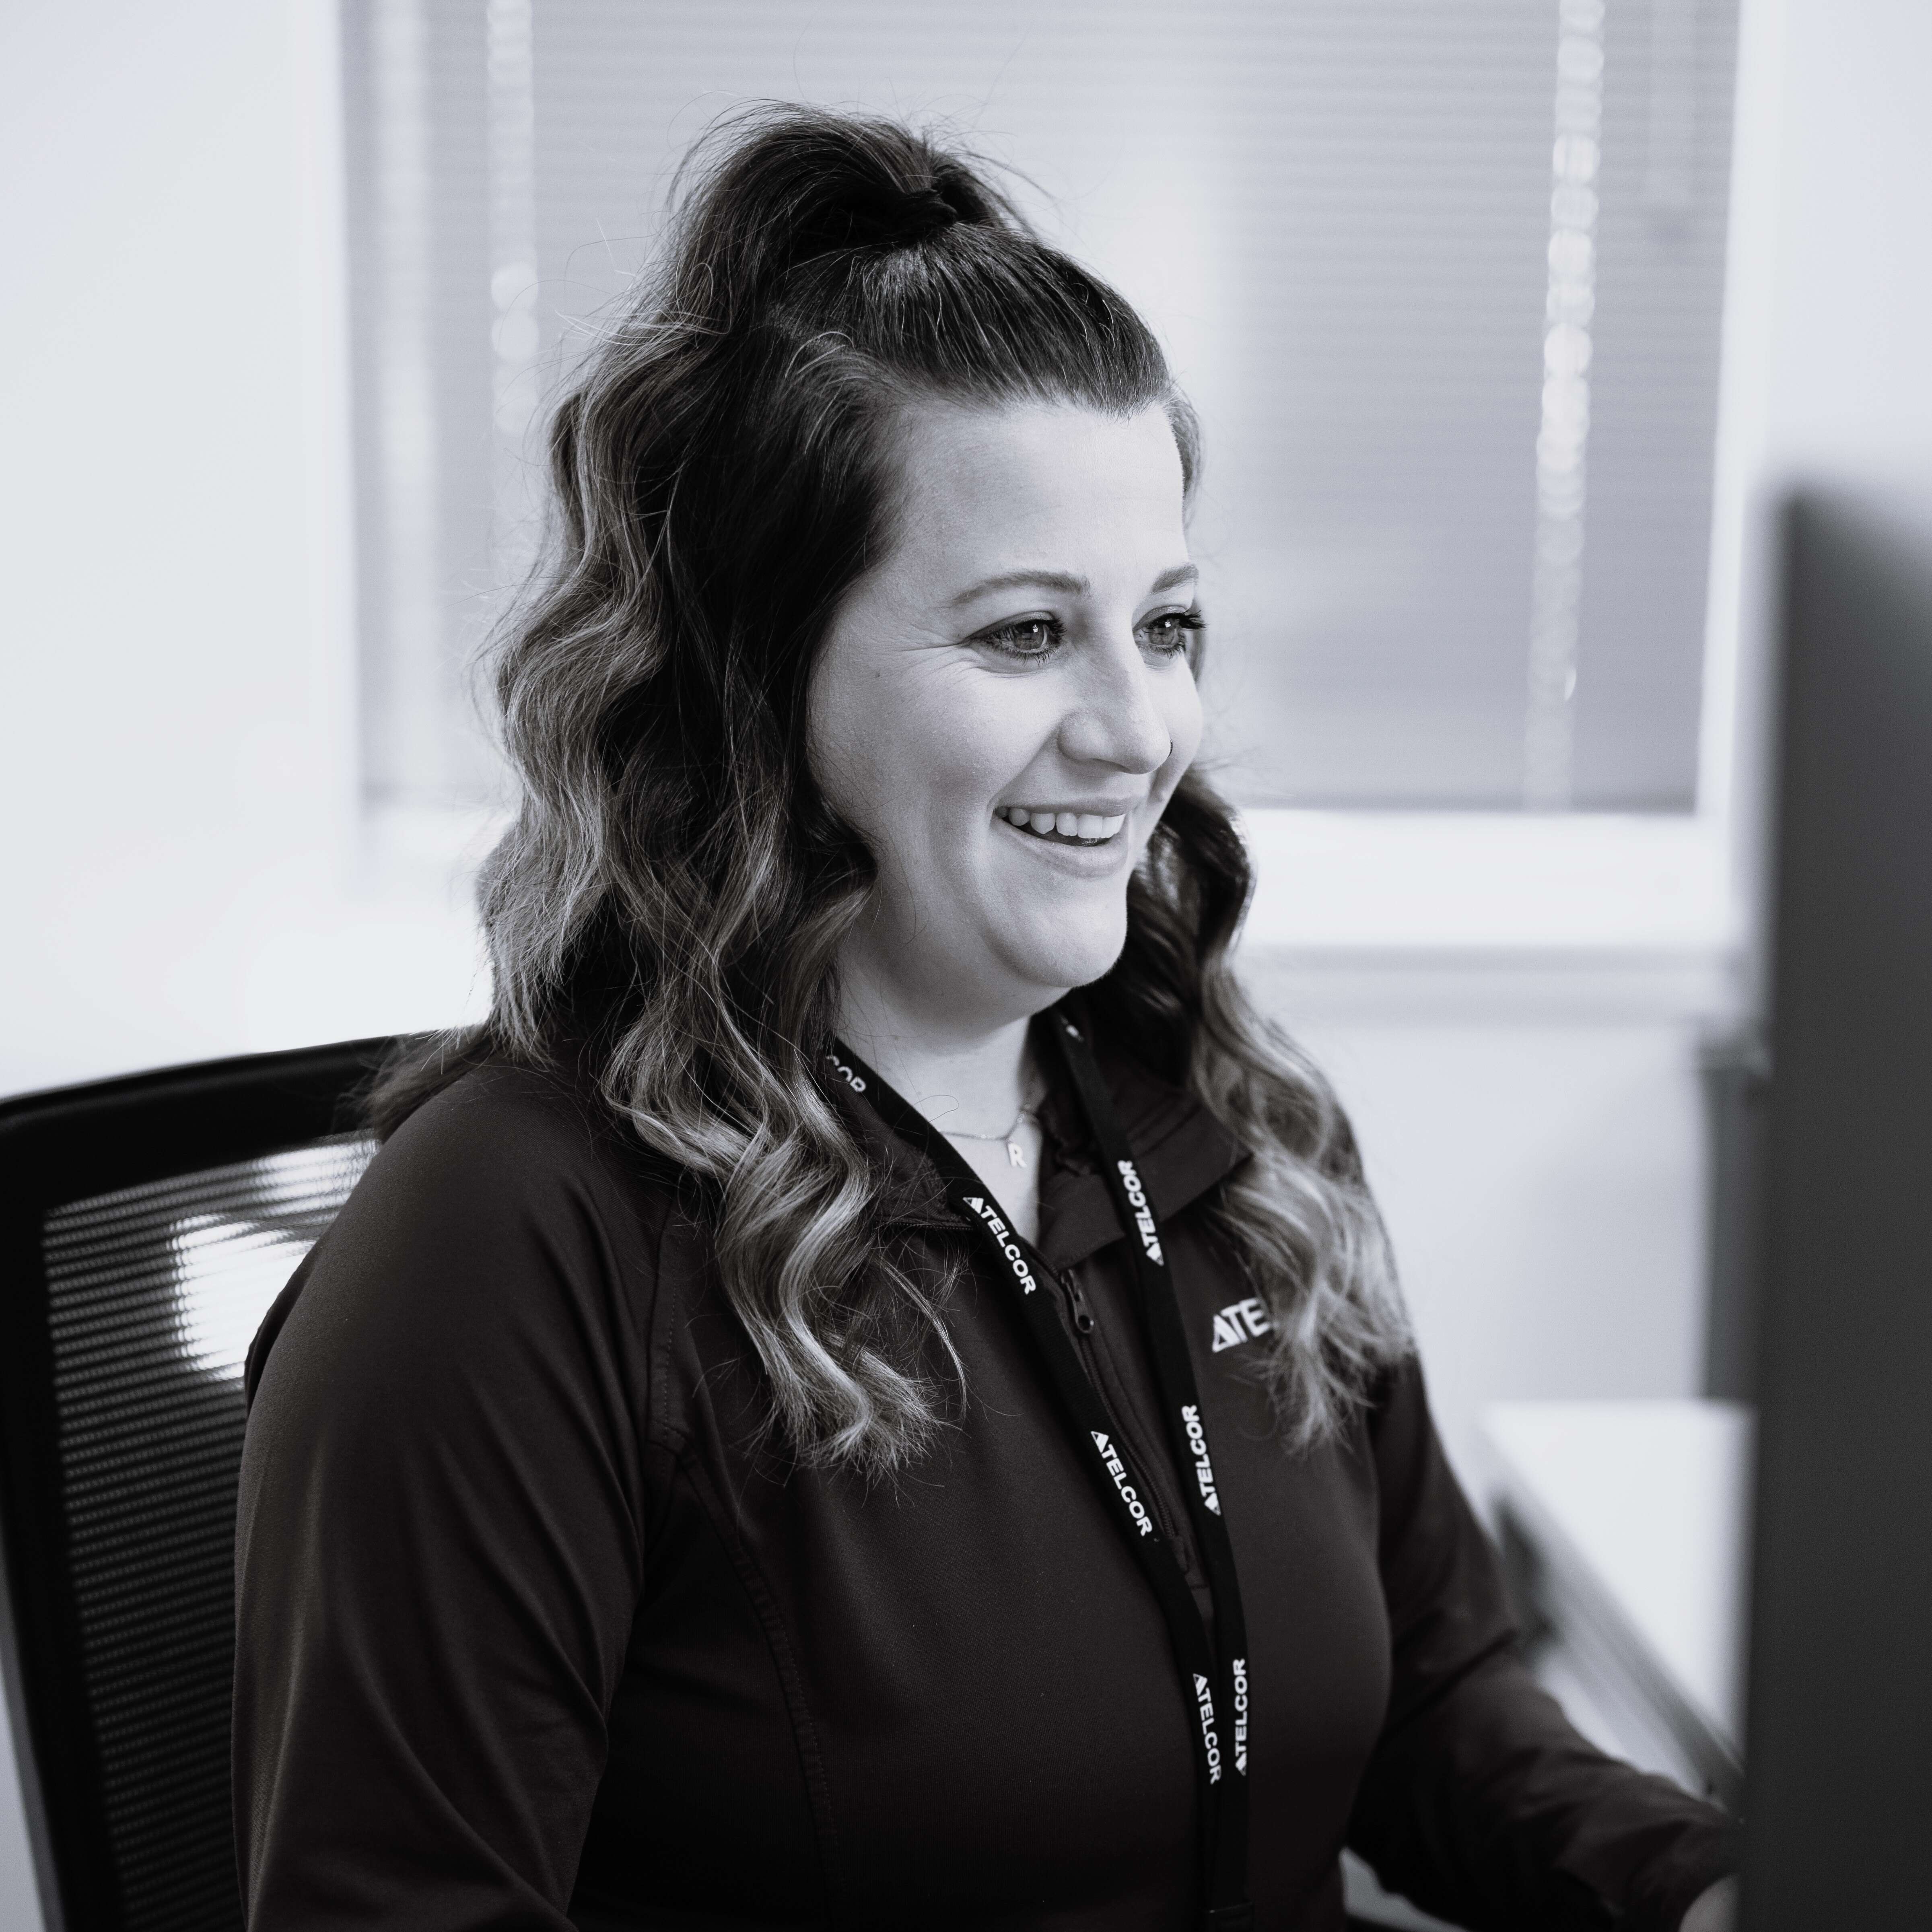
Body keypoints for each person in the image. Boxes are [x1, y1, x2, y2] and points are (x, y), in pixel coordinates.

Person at [232, 107, 1740, 1932]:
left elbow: (1431, 1706)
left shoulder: (1236, 1121)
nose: (1136, 730)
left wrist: (1718, 1886)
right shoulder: (514, 1238)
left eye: (1166, 626)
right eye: (1028, 635)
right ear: (755, 680)